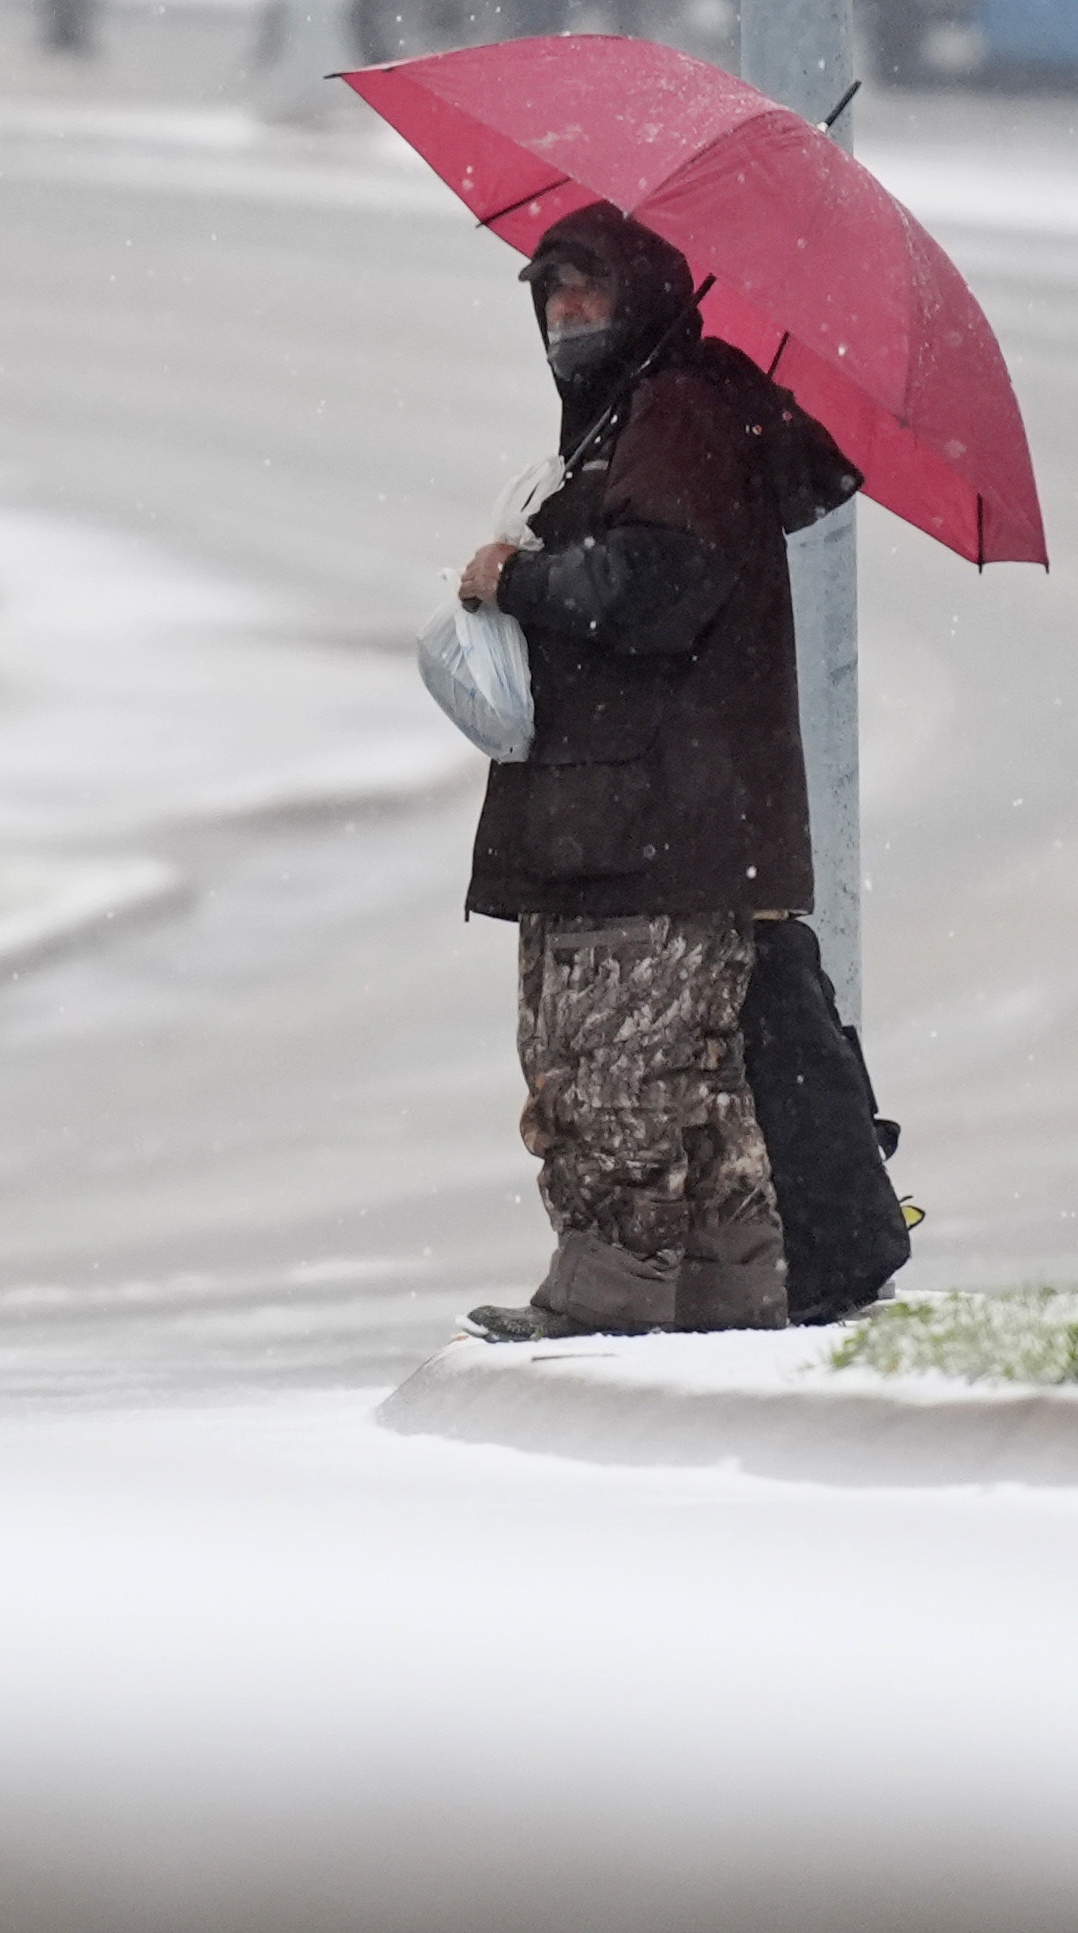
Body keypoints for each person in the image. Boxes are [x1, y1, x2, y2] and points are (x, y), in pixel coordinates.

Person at [453, 201, 864, 1340]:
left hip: (649, 819)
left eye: (590, 290)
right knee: (697, 1089)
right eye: (552, 292)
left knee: (609, 1065)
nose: (568, 313)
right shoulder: (644, 414)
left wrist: (516, 582)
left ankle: (609, 1297)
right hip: (657, 815)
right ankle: (727, 1296)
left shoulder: (675, 410)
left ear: (645, 298)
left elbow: (657, 584)